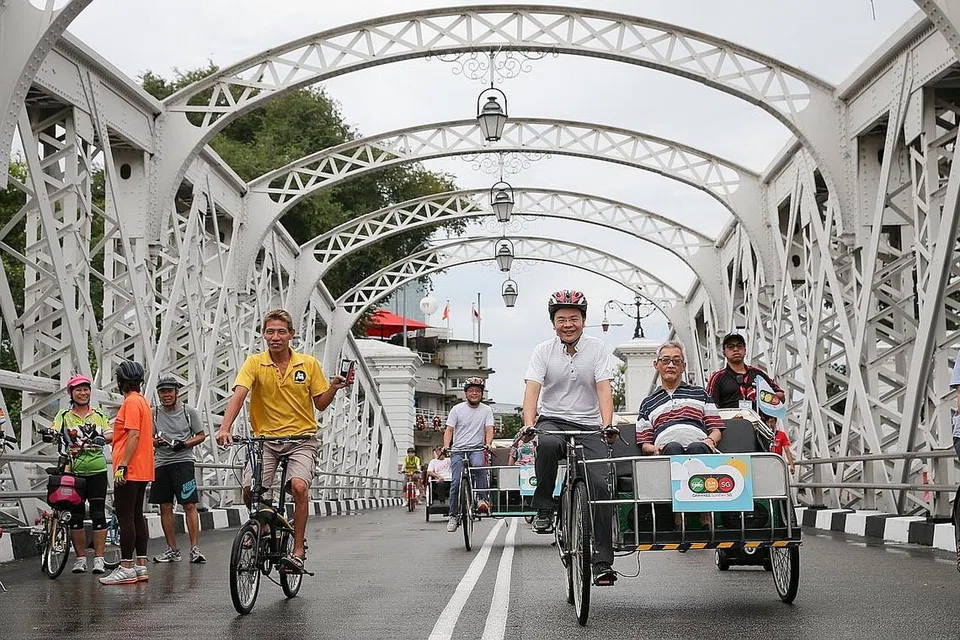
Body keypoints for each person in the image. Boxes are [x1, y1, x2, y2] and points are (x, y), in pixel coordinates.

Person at [216, 309, 348, 574]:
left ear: (291, 334)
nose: (275, 337)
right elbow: (239, 394)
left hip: (301, 440)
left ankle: (297, 551)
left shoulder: (308, 364)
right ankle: (265, 526)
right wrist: (225, 427)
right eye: (270, 332)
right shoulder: (254, 363)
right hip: (266, 441)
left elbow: (320, 404)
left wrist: (333, 387)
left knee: (299, 487)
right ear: (264, 335)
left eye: (281, 332)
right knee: (249, 490)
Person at [521, 289, 618, 586]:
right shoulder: (542, 351)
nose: (568, 324)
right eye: (561, 319)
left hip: (589, 425)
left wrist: (607, 425)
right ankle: (544, 508)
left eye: (574, 318)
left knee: (600, 487)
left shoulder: (597, 348)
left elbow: (604, 388)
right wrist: (529, 425)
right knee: (548, 444)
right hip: (553, 420)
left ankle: (602, 562)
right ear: (553, 324)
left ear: (583, 321)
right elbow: (532, 391)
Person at [99, 360, 155, 585]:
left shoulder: (130, 402)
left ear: (120, 381)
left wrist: (122, 465)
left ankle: (126, 567)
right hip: (143, 467)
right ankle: (140, 566)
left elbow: (133, 435)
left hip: (129, 469)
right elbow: (129, 433)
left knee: (125, 518)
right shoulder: (142, 401)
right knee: (136, 516)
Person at [55, 374, 112, 575]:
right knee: (76, 516)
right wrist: (51, 434)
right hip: (74, 472)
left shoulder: (99, 414)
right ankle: (80, 559)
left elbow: (110, 433)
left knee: (98, 514)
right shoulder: (64, 416)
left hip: (97, 470)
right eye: (78, 390)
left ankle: (99, 559)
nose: (83, 393)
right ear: (71, 393)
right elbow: (54, 430)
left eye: (86, 389)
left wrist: (103, 438)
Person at [150, 376, 207, 564]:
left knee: (189, 505)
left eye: (169, 391)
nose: (166, 395)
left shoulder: (189, 411)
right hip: (162, 463)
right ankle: (172, 549)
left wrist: (185, 444)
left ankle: (195, 549)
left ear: (176, 392)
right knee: (165, 506)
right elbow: (148, 437)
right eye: (162, 392)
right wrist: (157, 442)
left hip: (183, 462)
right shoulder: (154, 413)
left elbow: (201, 435)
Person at [636, 341, 724, 457]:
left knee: (697, 447)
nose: (671, 365)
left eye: (676, 361)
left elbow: (716, 429)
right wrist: (655, 449)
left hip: (699, 447)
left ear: (683, 367)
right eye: (665, 360)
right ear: (656, 365)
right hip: (666, 450)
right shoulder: (648, 403)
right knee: (673, 448)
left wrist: (710, 441)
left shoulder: (700, 393)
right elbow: (645, 444)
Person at [444, 377, 494, 533]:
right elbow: (449, 430)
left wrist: (488, 443)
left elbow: (489, 429)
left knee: (479, 466)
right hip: (458, 450)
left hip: (477, 448)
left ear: (481, 394)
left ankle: (482, 500)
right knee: (456, 482)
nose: (474, 393)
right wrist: (446, 446)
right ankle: (453, 515)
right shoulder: (456, 409)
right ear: (466, 393)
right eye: (471, 391)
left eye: (477, 391)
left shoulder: (486, 410)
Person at [706, 332, 785, 418]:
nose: (736, 349)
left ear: (745, 350)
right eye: (730, 347)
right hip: (730, 423)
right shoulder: (717, 377)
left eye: (739, 346)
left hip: (758, 423)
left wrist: (762, 396)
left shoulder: (758, 374)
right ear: (724, 352)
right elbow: (709, 406)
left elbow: (781, 396)